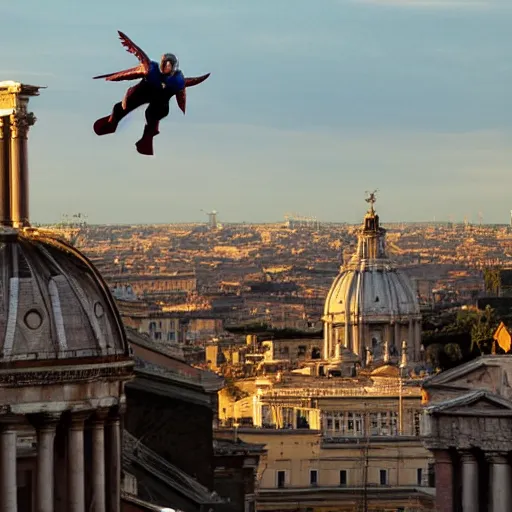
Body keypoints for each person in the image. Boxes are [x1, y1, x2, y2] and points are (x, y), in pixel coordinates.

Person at [93, 31, 209, 156]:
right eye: (166, 64)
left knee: (153, 117)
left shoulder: (178, 80)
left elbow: (182, 92)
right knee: (121, 108)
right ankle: (111, 123)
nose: (168, 67)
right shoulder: (151, 69)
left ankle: (147, 139)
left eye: (170, 64)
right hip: (141, 93)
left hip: (160, 103)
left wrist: (182, 103)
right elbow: (137, 56)